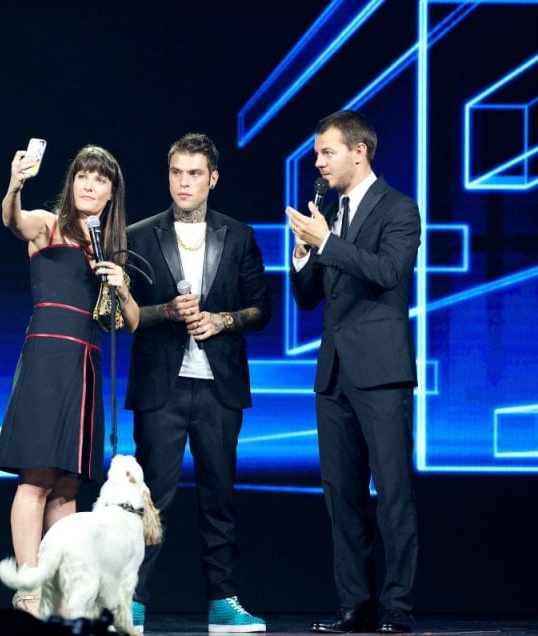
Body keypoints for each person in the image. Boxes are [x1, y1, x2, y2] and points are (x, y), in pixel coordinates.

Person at [125, 132, 270, 633]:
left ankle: (223, 602)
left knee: (219, 497)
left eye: (194, 174)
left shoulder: (239, 234)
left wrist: (222, 321)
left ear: (213, 178)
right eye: (176, 173)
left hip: (218, 387)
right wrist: (165, 311)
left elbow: (261, 308)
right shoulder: (139, 234)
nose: (184, 183)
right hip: (160, 386)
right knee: (148, 501)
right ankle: (132, 602)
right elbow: (121, 315)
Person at [285, 110, 422, 633]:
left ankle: (396, 607)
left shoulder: (399, 208)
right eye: (318, 154)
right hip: (334, 373)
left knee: (392, 494)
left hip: (381, 372)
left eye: (327, 153)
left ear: (358, 152)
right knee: (341, 494)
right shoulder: (329, 212)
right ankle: (354, 605)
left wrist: (327, 244)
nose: (319, 163)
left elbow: (389, 272)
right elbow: (309, 298)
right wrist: (303, 257)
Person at [0, 144, 139, 617]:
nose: (89, 185)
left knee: (68, 487)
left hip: (87, 365)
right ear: (71, 181)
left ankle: (58, 591)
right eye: (82, 176)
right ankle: (29, 588)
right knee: (35, 479)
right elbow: (13, 222)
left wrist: (119, 285)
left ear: (111, 192)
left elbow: (129, 321)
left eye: (99, 180)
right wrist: (15, 184)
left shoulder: (111, 252)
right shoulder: (47, 225)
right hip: (46, 361)